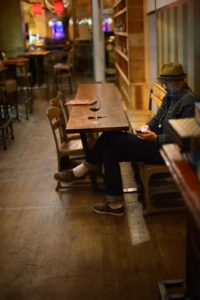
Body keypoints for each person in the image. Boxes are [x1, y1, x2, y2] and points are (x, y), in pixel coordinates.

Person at [54, 62, 200, 216]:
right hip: (156, 144)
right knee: (110, 152)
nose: (164, 86)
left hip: (169, 151)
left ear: (178, 81)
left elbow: (184, 137)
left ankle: (83, 169)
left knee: (109, 137)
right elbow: (157, 119)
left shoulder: (189, 101)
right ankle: (115, 204)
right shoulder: (171, 95)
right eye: (163, 82)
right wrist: (147, 126)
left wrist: (156, 138)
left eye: (166, 83)